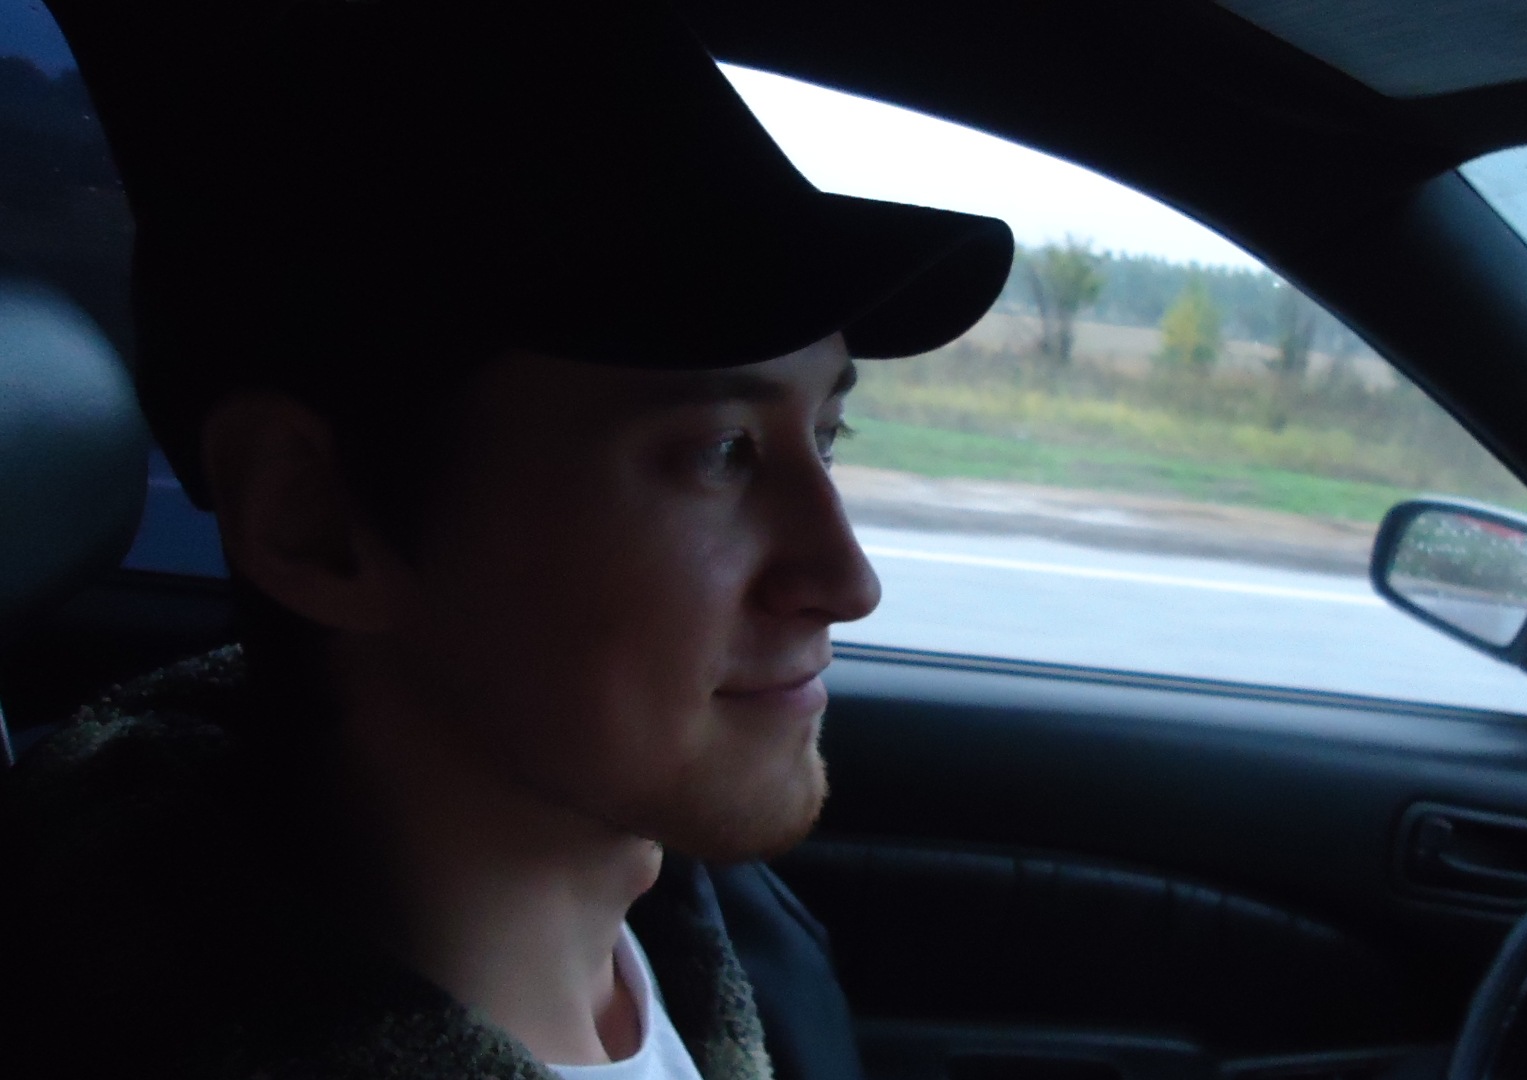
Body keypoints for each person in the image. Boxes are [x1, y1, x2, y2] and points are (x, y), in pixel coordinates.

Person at [0, 0, 1013, 1077]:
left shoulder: (720, 933)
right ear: (313, 519)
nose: (848, 581)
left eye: (827, 435)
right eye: (720, 452)